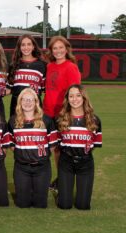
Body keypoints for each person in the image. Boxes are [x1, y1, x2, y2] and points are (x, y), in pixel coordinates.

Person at [8, 88, 58, 208]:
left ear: (36, 102)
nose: (28, 102)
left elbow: (52, 145)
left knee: (40, 204)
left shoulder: (46, 120)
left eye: (31, 100)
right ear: (20, 102)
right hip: (22, 167)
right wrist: (23, 153)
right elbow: (11, 144)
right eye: (24, 100)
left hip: (42, 168)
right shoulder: (13, 121)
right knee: (22, 204)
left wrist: (41, 156)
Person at [43, 36, 81, 190]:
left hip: (62, 114)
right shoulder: (50, 66)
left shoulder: (71, 67)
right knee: (49, 148)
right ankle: (47, 178)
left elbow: (75, 93)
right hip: (47, 113)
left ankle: (62, 179)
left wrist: (68, 113)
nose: (58, 51)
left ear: (66, 49)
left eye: (61, 47)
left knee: (61, 149)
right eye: (55, 48)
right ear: (51, 50)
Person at [56, 84, 102, 210]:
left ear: (84, 98)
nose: (74, 99)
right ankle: (61, 191)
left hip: (85, 163)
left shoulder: (94, 120)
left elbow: (94, 145)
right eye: (71, 96)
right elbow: (57, 144)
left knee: (83, 206)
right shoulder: (60, 119)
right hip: (66, 163)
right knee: (64, 205)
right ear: (67, 99)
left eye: (78, 96)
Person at [8, 34, 46, 117]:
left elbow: (44, 89)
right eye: (23, 45)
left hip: (35, 105)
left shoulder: (42, 65)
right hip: (17, 105)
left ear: (33, 46)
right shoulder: (13, 65)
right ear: (19, 47)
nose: (26, 47)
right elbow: (8, 90)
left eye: (29, 44)